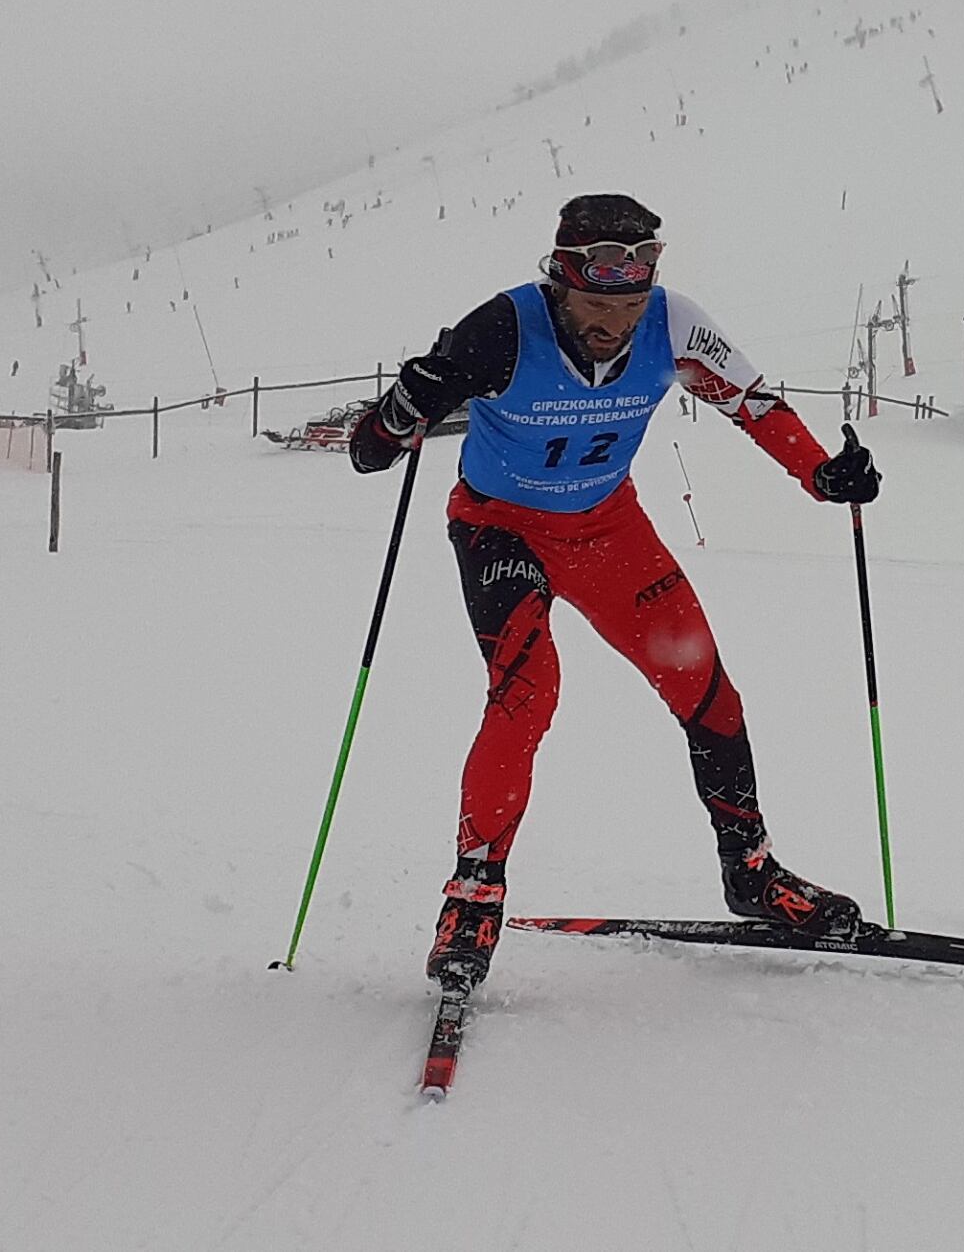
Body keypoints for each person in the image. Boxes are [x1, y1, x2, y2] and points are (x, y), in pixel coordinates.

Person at [350, 194, 884, 995]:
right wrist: (402, 406)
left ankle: (751, 871)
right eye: (598, 307)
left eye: (630, 307)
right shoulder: (501, 330)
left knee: (707, 691)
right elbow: (368, 454)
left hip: (609, 531)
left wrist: (822, 473)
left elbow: (754, 404)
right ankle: (473, 894)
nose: (615, 326)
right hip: (501, 529)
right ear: (561, 282)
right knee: (528, 693)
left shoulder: (675, 325)